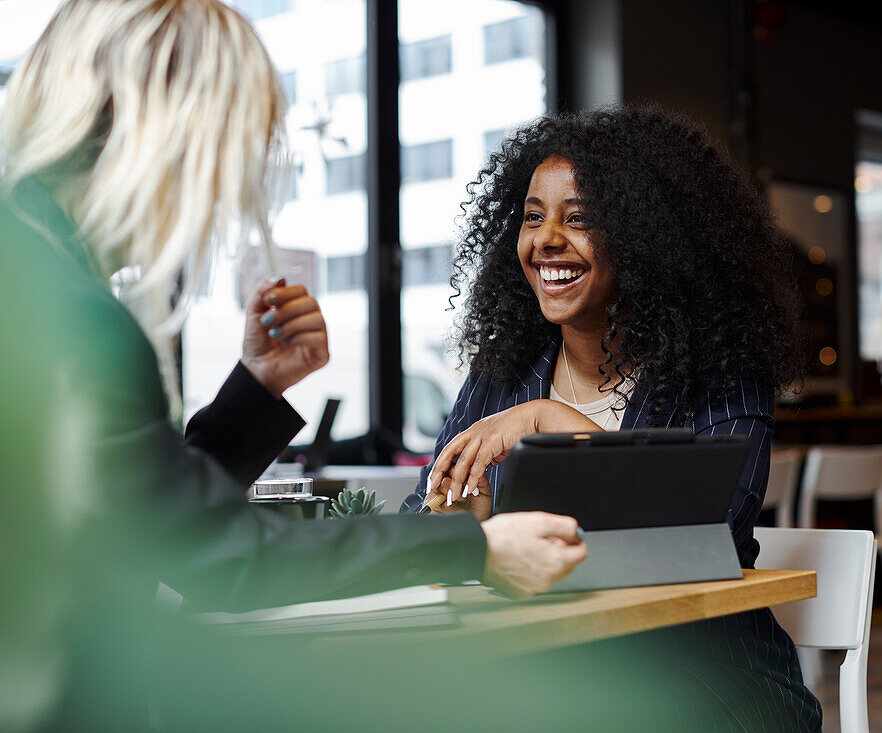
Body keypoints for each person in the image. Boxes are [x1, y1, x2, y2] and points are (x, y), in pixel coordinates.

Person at [0, 1, 586, 729]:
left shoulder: (36, 276)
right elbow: (210, 556)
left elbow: (145, 510)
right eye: (219, 162)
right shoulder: (71, 316)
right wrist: (472, 545)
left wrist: (257, 387)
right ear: (155, 133)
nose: (216, 203)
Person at [401, 106, 821, 731]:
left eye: (578, 220)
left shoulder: (721, 369)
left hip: (705, 672)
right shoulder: (505, 370)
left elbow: (707, 535)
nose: (545, 240)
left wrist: (551, 419)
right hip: (543, 660)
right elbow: (419, 518)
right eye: (533, 218)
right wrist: (467, 519)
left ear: (646, 236)